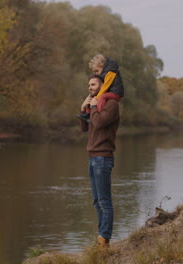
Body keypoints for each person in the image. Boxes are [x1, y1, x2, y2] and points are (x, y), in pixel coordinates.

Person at [79, 74, 120, 247]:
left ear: (103, 85)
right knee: (96, 201)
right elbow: (85, 128)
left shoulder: (111, 104)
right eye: (89, 85)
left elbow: (99, 123)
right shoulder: (96, 105)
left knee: (104, 201)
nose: (90, 87)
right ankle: (102, 238)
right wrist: (83, 109)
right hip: (93, 157)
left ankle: (104, 238)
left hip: (103, 157)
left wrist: (94, 106)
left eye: (93, 84)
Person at [77, 54, 124, 123]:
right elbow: (84, 129)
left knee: (102, 96)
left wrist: (96, 101)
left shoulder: (111, 72)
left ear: (102, 65)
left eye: (97, 71)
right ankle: (87, 114)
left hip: (116, 93)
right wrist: (83, 108)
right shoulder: (105, 72)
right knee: (95, 96)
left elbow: (105, 87)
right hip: (111, 92)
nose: (96, 74)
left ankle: (97, 113)